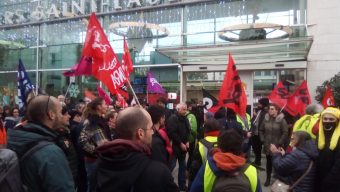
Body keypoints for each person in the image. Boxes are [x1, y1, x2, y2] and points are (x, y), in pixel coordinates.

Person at [94, 107, 179, 192]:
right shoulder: (159, 172)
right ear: (140, 133)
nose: (153, 132)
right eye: (150, 128)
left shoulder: (100, 165)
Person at [7, 95, 75, 191]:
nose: (62, 115)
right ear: (51, 114)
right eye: (60, 112)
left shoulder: (15, 139)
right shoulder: (51, 152)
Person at [190, 128, 262, 192]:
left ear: (220, 147)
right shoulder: (251, 171)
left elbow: (194, 189)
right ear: (240, 147)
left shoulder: (208, 167)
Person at [79, 97, 111, 191]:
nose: (107, 106)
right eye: (104, 104)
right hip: (94, 161)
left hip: (99, 160)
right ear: (98, 107)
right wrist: (96, 151)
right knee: (93, 186)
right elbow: (82, 141)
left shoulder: (100, 119)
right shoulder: (92, 121)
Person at [259, 103, 288, 186]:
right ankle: (268, 179)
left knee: (277, 164)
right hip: (267, 144)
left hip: (277, 146)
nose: (270, 110)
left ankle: (277, 179)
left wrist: (279, 143)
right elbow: (261, 130)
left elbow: (285, 132)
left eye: (272, 109)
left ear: (277, 110)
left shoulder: (281, 120)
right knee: (268, 163)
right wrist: (262, 139)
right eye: (269, 109)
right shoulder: (266, 119)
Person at [189, 118, 221, 188]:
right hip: (222, 180)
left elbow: (195, 166)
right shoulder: (223, 141)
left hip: (206, 178)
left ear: (205, 129)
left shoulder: (201, 143)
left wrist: (191, 181)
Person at [315, 107, 340, 192]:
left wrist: (329, 179)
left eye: (331, 119)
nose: (327, 121)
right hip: (318, 177)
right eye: (325, 118)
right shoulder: (320, 135)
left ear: (337, 121)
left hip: (334, 180)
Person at [167, 103, 191, 191]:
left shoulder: (185, 118)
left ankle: (182, 185)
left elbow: (188, 130)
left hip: (183, 147)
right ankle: (165, 183)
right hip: (174, 146)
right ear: (178, 109)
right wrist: (180, 143)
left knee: (182, 166)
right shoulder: (173, 118)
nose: (185, 111)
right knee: (171, 166)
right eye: (183, 109)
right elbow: (172, 132)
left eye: (186, 109)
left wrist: (187, 141)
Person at [251, 97, 269, 166]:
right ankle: (257, 161)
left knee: (261, 148)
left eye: (260, 104)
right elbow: (253, 121)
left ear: (263, 104)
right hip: (255, 133)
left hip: (262, 134)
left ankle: (259, 161)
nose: (259, 105)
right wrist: (254, 116)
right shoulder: (258, 111)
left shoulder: (266, 112)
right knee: (255, 148)